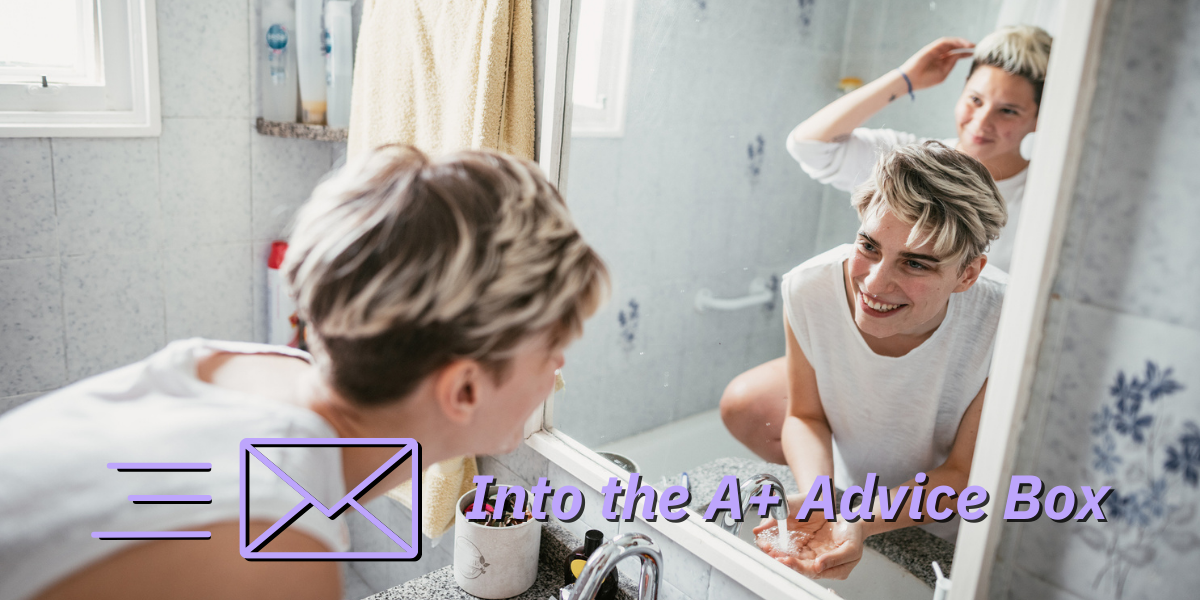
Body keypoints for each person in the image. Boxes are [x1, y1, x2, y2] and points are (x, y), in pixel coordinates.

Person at [0, 146, 610, 600]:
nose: (560, 364)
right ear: (465, 388)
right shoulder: (273, 550)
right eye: (553, 345)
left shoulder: (254, 371)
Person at [721, 24, 1051, 466]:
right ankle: (849, 477)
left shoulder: (1048, 199)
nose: (981, 121)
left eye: (1008, 111)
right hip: (881, 342)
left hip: (961, 359)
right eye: (974, 99)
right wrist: (906, 78)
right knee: (750, 402)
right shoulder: (907, 168)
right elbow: (809, 144)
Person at [748, 142, 1008, 580]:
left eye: (915, 264)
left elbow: (963, 473)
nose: (874, 281)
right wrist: (822, 501)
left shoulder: (1004, 322)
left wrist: (860, 518)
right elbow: (806, 415)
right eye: (869, 245)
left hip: (953, 529)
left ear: (968, 274)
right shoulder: (809, 289)